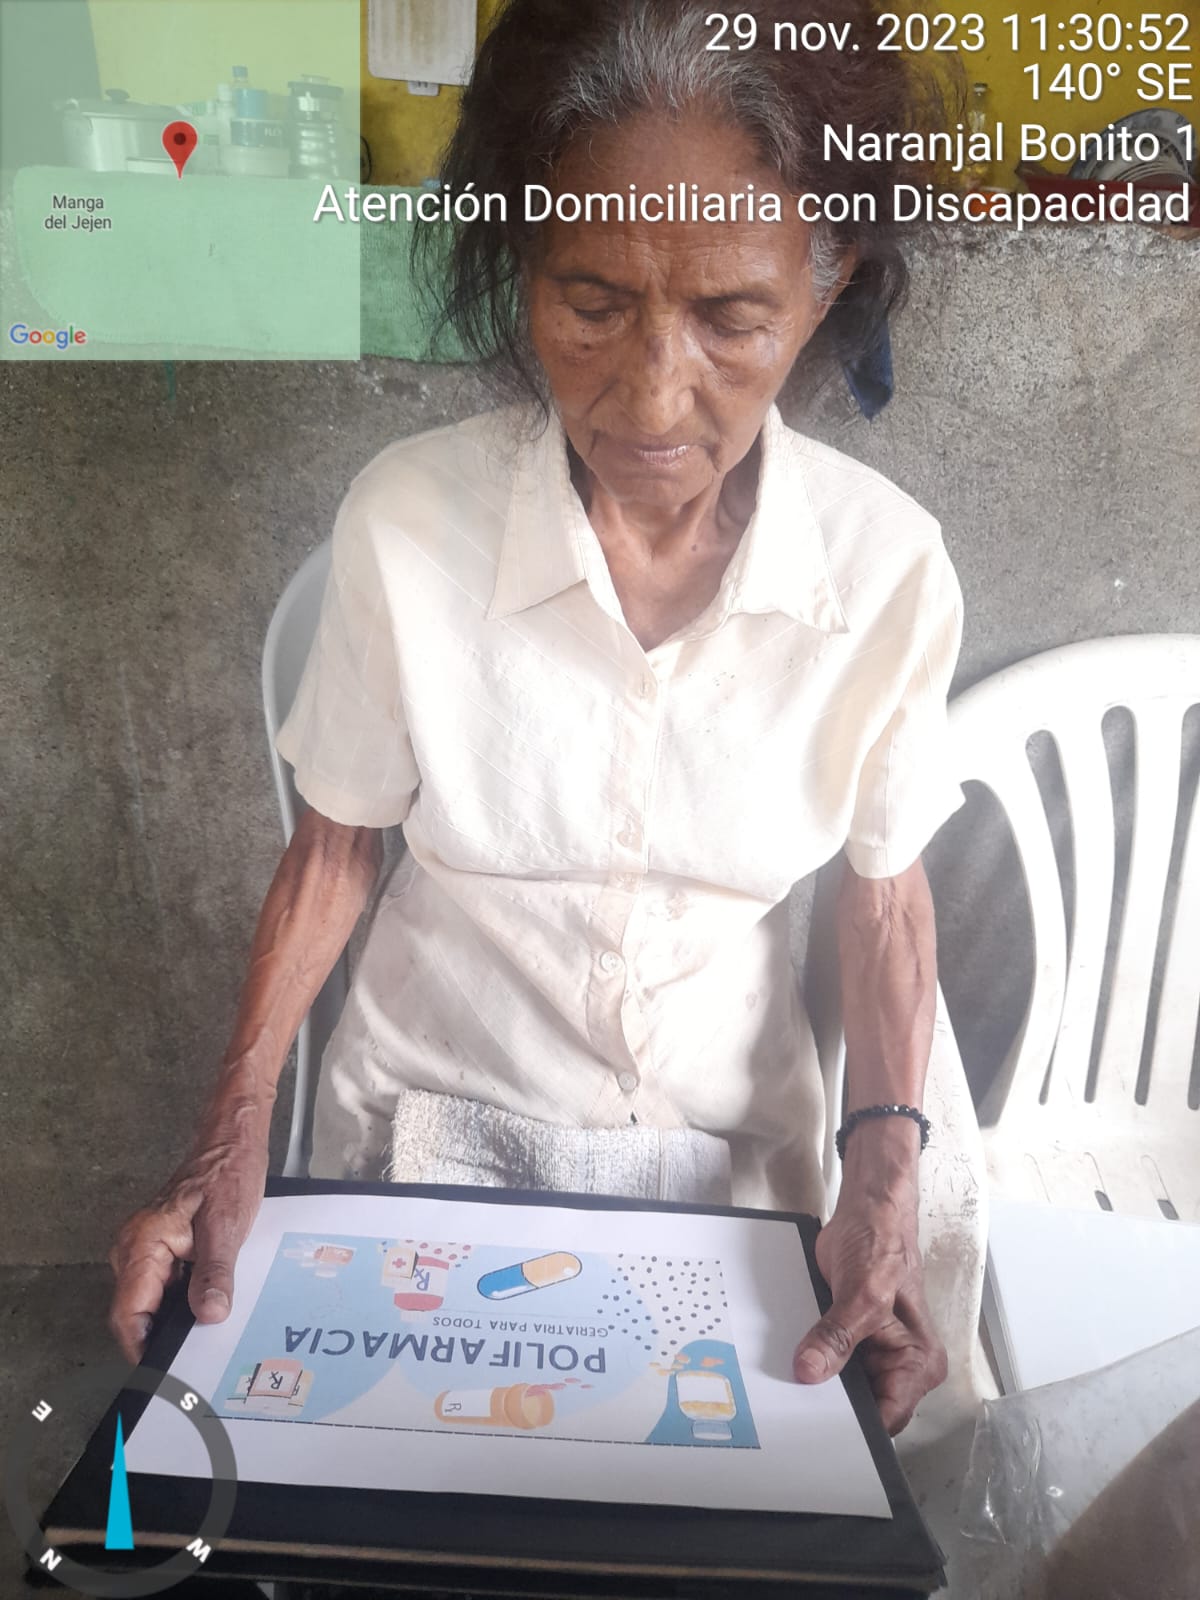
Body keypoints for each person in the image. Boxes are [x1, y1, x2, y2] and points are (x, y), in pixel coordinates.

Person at [110, 0, 977, 1438]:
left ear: (827, 279)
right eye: (590, 302)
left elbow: (883, 899)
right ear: (522, 265)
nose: (652, 395)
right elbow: (335, 847)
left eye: (730, 317)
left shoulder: (885, 572)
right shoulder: (409, 522)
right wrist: (231, 1127)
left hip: (731, 1178)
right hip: (420, 1146)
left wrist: (885, 1171)